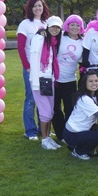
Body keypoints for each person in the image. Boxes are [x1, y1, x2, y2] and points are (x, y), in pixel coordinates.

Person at [17, 0, 49, 141]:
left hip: (44, 69)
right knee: (30, 99)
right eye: (35, 6)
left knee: (43, 99)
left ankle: (42, 128)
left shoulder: (47, 23)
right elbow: (21, 47)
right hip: (31, 68)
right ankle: (30, 130)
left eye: (40, 5)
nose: (38, 8)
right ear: (30, 8)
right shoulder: (25, 24)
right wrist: (27, 66)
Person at [29, 16, 63, 150]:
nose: (54, 29)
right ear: (47, 27)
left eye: (57, 28)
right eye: (52, 27)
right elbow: (34, 59)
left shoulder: (53, 41)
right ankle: (44, 140)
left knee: (50, 112)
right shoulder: (39, 38)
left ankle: (48, 137)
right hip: (40, 81)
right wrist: (36, 82)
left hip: (49, 79)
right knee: (46, 112)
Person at [52, 15, 85, 142]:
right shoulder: (60, 37)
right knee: (55, 109)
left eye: (78, 25)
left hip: (70, 81)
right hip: (55, 79)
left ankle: (67, 133)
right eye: (72, 24)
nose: (75, 27)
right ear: (67, 25)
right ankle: (60, 134)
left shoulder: (83, 42)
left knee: (69, 109)